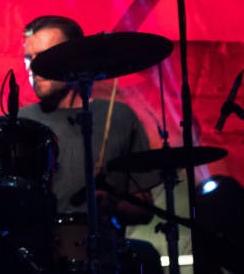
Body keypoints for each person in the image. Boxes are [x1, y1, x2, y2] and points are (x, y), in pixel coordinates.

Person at [18, 15, 163, 273]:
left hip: (107, 256)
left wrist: (113, 205)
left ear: (76, 58)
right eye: (28, 59)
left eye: (43, 57)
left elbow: (144, 208)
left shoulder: (119, 117)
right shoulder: (20, 124)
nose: (33, 69)